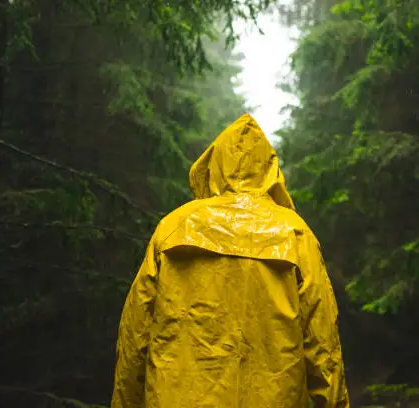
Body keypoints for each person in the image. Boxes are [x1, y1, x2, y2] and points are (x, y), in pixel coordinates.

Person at [111, 114, 350, 408]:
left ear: (214, 166)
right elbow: (323, 347)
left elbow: (135, 338)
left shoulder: (174, 228)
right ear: (269, 170)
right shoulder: (294, 234)